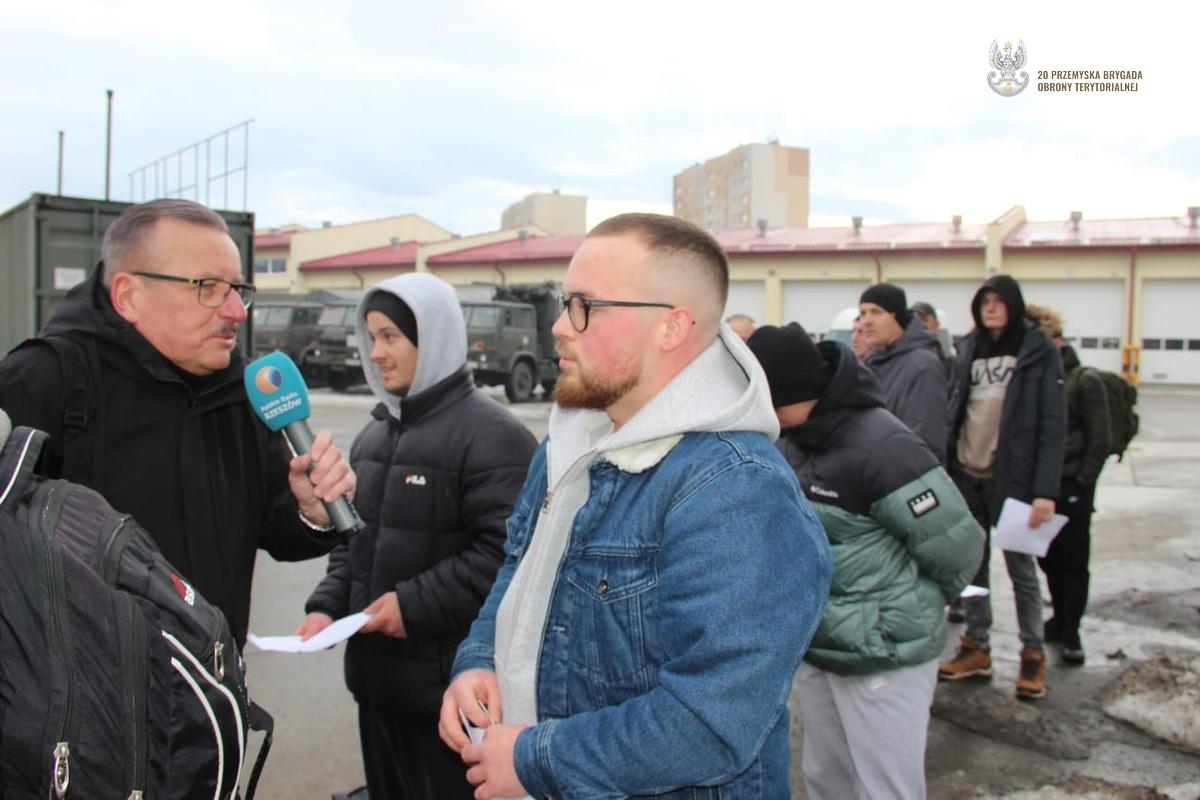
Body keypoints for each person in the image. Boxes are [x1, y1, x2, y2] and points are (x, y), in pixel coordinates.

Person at [438, 213, 833, 799]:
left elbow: (710, 724)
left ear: (671, 327)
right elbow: (519, 574)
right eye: (563, 302)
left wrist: (534, 759)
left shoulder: (737, 489)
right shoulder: (568, 443)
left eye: (584, 307)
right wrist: (478, 660)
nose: (558, 328)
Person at [0, 198, 354, 646]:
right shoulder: (41, 383)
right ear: (128, 295)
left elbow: (278, 530)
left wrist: (313, 514)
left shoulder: (242, 392)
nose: (236, 312)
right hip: (83, 709)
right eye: (207, 286)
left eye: (236, 289)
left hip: (211, 699)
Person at [297, 273, 537, 799]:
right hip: (376, 689)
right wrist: (327, 607)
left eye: (391, 337)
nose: (376, 353)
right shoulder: (374, 434)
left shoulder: (495, 437)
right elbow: (351, 542)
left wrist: (413, 605)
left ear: (433, 338)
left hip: (450, 700)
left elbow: (506, 557)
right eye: (371, 337)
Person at [747, 323, 982, 800]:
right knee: (826, 779)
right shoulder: (792, 441)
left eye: (768, 401)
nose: (761, 413)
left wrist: (894, 612)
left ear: (799, 392)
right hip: (822, 648)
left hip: (884, 657)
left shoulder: (881, 446)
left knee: (884, 789)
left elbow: (959, 549)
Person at [938, 275, 1065, 700]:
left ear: (1013, 304)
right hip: (967, 474)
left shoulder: (1037, 351)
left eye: (998, 301)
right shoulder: (970, 349)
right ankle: (977, 645)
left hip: (1015, 481)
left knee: (1021, 571)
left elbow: (1052, 424)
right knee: (974, 568)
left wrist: (1045, 490)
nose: (990, 308)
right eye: (984, 302)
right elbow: (956, 408)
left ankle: (1032, 653)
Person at [1026, 303, 1111, 665]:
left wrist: (1082, 483)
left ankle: (1072, 630)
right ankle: (1059, 619)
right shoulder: (1037, 380)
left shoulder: (1084, 380)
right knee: (1049, 559)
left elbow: (1100, 439)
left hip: (1073, 487)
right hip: (1042, 487)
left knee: (1074, 562)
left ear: (1055, 341)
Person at [859, 283, 949, 462]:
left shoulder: (923, 365)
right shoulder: (871, 362)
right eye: (862, 313)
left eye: (876, 312)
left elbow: (925, 441)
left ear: (896, 316)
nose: (866, 321)